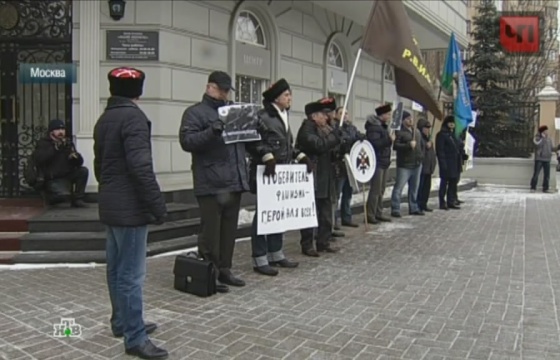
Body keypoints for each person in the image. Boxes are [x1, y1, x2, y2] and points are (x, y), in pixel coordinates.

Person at [93, 67, 168, 359]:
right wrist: (157, 205)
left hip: (111, 204)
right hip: (131, 208)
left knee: (115, 269)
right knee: (131, 275)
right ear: (138, 91)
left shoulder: (104, 118)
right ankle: (135, 337)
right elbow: (141, 167)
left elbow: (100, 167)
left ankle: (121, 322)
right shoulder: (134, 118)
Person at [179, 71, 255, 292]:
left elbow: (242, 144)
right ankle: (210, 272)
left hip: (233, 180)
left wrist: (253, 129)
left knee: (229, 230)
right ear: (209, 87)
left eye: (226, 89)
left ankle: (225, 269)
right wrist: (211, 131)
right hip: (210, 182)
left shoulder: (233, 112)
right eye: (220, 89)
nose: (224, 93)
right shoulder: (195, 113)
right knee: (211, 232)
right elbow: (187, 141)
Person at [247, 78, 312, 276]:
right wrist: (267, 157)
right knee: (264, 215)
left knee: (278, 214)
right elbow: (253, 140)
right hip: (266, 173)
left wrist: (301, 157)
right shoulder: (263, 116)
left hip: (281, 174)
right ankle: (259, 258)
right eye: (286, 95)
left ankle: (276, 253)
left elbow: (286, 146)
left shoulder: (283, 116)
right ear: (277, 98)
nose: (290, 98)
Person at [296, 99, 344, 257]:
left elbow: (332, 149)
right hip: (313, 176)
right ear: (314, 116)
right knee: (310, 213)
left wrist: (341, 144)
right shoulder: (306, 130)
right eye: (323, 115)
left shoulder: (326, 129)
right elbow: (319, 145)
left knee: (325, 212)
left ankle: (324, 241)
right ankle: (307, 244)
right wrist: (334, 138)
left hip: (326, 175)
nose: (327, 118)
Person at [34, 119, 88, 207]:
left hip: (67, 174)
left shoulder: (67, 143)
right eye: (57, 130)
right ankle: (51, 198)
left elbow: (79, 163)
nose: (61, 132)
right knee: (63, 197)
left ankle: (78, 199)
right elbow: (40, 159)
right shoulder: (43, 143)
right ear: (51, 132)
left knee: (83, 171)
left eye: (62, 129)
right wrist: (55, 149)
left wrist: (76, 157)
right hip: (53, 178)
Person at [333, 106, 365, 228]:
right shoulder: (336, 128)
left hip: (351, 165)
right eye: (341, 113)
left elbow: (358, 136)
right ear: (336, 115)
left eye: (346, 113)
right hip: (340, 164)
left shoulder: (352, 128)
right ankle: (334, 220)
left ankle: (347, 217)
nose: (344, 115)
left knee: (348, 192)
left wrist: (361, 137)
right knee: (337, 194)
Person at [390, 111, 425, 217]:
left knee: (414, 188)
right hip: (405, 165)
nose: (410, 120)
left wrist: (421, 156)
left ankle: (413, 207)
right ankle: (395, 208)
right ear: (403, 120)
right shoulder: (399, 132)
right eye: (407, 118)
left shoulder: (416, 131)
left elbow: (421, 145)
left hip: (417, 164)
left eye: (411, 118)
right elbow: (396, 146)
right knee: (399, 187)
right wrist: (408, 145)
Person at [365, 104, 395, 224]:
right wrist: (389, 140)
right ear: (381, 115)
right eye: (387, 114)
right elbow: (375, 144)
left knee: (382, 189)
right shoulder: (374, 127)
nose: (389, 116)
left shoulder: (383, 127)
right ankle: (370, 214)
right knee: (376, 190)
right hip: (377, 161)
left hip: (384, 161)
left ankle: (378, 212)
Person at [435, 116, 462, 210]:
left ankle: (451, 201)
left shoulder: (453, 135)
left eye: (453, 123)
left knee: (453, 183)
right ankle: (442, 202)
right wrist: (443, 163)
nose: (452, 125)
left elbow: (457, 148)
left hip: (454, 163)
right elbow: (440, 150)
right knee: (444, 184)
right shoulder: (441, 135)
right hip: (447, 162)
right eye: (450, 123)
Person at [416, 119, 436, 212]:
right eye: (426, 128)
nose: (428, 130)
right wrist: (426, 147)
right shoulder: (419, 138)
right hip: (422, 167)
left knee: (426, 188)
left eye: (428, 128)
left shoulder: (428, 138)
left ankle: (424, 203)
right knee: (420, 187)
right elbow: (419, 152)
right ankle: (418, 204)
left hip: (429, 167)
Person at [530, 125, 555, 193]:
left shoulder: (549, 139)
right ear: (542, 131)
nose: (547, 132)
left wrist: (556, 147)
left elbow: (552, 148)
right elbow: (537, 145)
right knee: (536, 174)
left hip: (547, 159)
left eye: (547, 130)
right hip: (539, 159)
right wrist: (542, 139)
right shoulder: (537, 138)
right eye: (545, 130)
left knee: (547, 175)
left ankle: (545, 188)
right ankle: (533, 187)